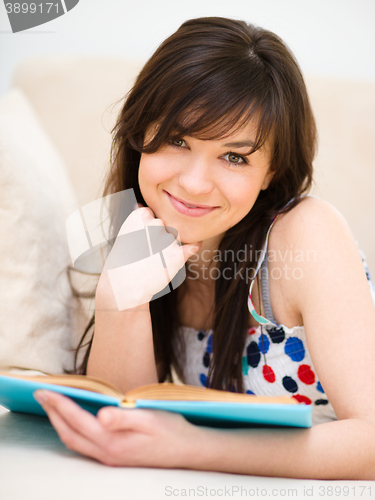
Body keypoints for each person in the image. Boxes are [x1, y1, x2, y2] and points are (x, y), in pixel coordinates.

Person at [34, 17, 375, 479]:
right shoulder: (145, 236)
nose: (193, 183)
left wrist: (192, 446)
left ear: (271, 172)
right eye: (177, 140)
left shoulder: (305, 234)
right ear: (140, 136)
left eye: (234, 157)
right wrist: (121, 303)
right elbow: (125, 425)